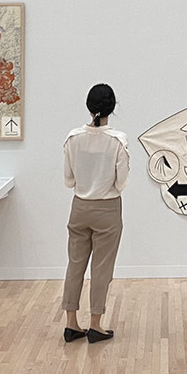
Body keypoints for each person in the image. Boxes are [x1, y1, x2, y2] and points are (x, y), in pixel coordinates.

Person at [61, 82, 129, 344]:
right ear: (112, 107)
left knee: (74, 265)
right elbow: (121, 183)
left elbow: (68, 180)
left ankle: (71, 323)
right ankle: (96, 325)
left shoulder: (73, 138)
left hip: (79, 206)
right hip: (107, 209)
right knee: (101, 269)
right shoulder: (117, 141)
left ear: (89, 106)